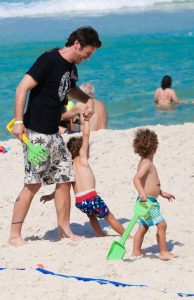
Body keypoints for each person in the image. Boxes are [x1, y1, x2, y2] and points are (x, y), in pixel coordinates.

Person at [9, 26, 102, 246]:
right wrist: (19, 122)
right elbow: (22, 88)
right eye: (87, 54)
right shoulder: (49, 60)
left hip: (54, 132)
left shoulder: (71, 68)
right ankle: (14, 235)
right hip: (36, 132)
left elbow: (70, 90)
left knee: (65, 179)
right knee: (33, 184)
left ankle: (64, 230)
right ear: (77, 44)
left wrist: (87, 101)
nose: (87, 59)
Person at [41, 116, 125, 237]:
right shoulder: (82, 159)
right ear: (82, 150)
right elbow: (86, 136)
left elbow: (62, 188)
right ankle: (126, 235)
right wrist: (86, 121)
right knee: (109, 217)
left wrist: (50, 196)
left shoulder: (69, 167)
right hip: (91, 197)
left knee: (92, 216)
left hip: (80, 201)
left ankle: (100, 233)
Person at [132, 128, 176, 260]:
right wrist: (142, 194)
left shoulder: (146, 162)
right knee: (162, 225)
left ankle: (136, 251)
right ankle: (163, 252)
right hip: (148, 202)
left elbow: (150, 183)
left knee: (143, 226)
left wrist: (162, 193)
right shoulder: (146, 163)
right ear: (154, 147)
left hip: (149, 200)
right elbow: (136, 179)